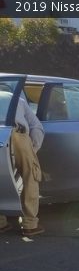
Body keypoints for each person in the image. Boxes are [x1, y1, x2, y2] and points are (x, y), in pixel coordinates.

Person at [0, 85, 45, 237]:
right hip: (18, 134)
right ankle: (30, 225)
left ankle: (1, 222)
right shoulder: (16, 98)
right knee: (30, 176)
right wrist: (33, 148)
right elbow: (36, 126)